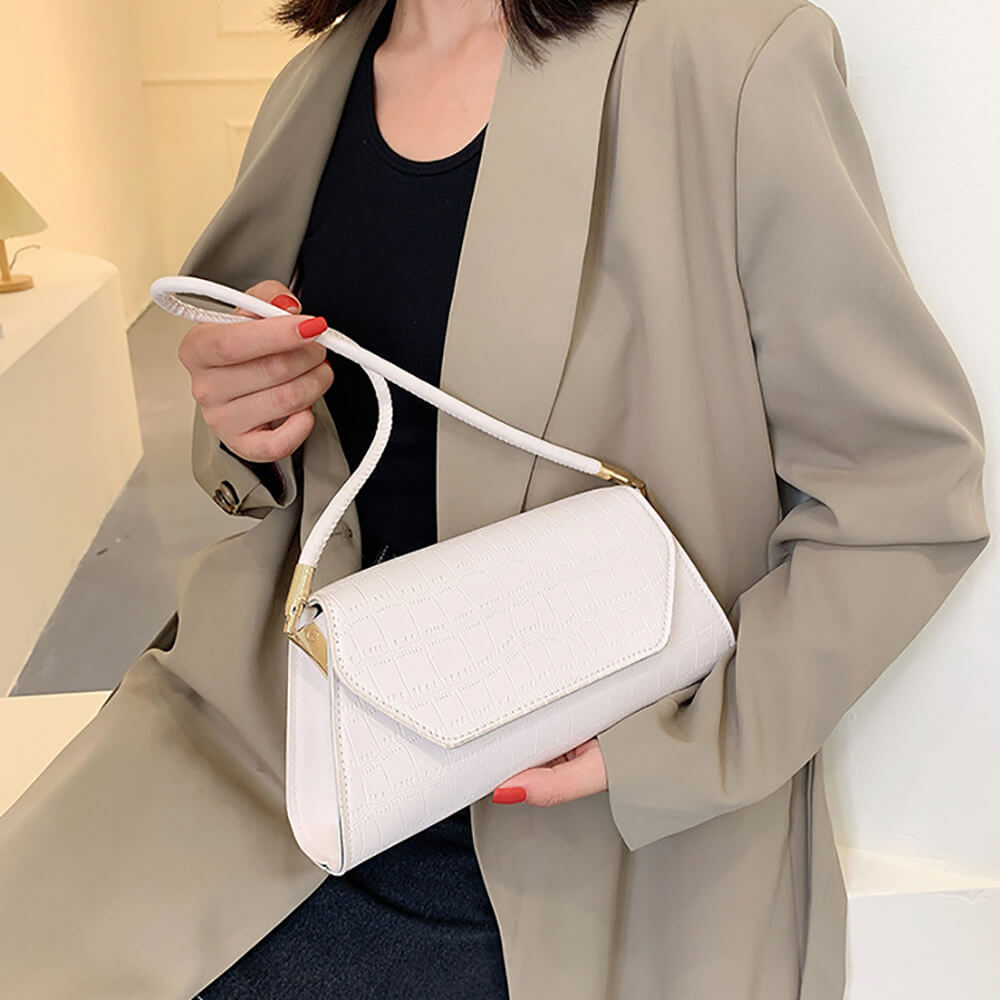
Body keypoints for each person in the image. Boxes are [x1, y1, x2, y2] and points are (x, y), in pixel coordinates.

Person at [0, 0, 989, 997]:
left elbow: (904, 488)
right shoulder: (313, 86)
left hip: (565, 821)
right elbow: (293, 473)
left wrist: (681, 748)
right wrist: (247, 417)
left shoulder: (727, 62)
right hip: (285, 740)